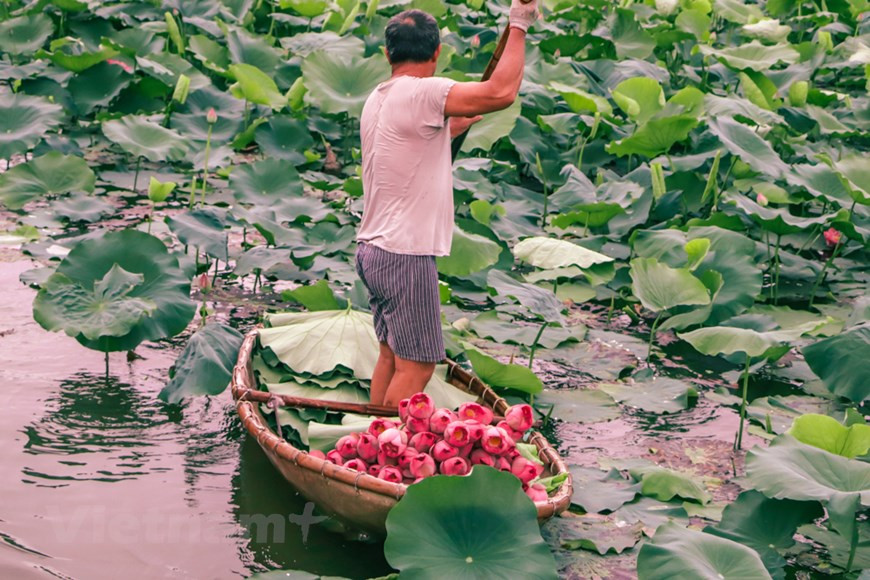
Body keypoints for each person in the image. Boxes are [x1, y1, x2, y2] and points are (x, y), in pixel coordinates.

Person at [355, 0, 539, 407]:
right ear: (436, 53)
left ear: (388, 55)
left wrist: (450, 127)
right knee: (419, 365)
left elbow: (407, 141)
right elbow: (501, 92)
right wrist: (519, 24)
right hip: (405, 254)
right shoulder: (424, 92)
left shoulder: (378, 98)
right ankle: (384, 452)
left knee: (391, 355)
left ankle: (372, 434)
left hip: (372, 250)